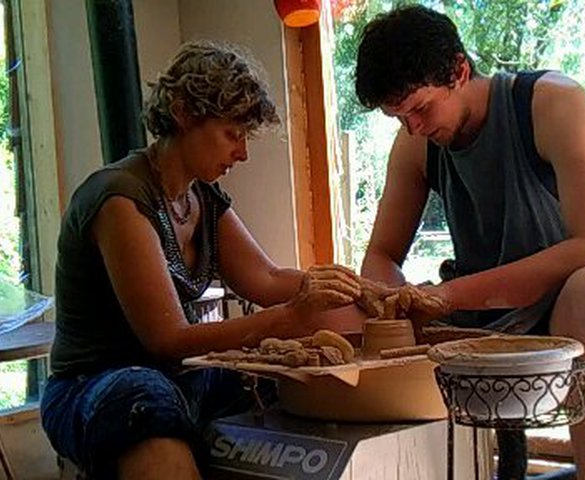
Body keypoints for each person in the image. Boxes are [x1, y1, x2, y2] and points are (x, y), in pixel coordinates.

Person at [41, 40, 361, 480]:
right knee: (145, 401)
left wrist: (365, 290)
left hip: (179, 377)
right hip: (96, 383)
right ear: (183, 113)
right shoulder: (120, 199)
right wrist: (289, 318)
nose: (243, 153)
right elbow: (167, 338)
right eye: (233, 134)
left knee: (287, 384)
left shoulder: (201, 198)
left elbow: (265, 278)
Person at [355, 5, 585, 480]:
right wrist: (393, 300)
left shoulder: (553, 103)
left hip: (583, 308)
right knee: (340, 309)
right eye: (398, 118)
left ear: (459, 71)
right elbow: (380, 256)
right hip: (491, 314)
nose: (413, 128)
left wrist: (445, 297)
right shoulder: (415, 140)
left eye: (421, 108)